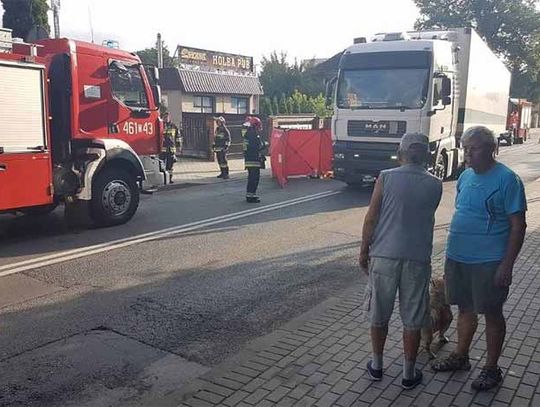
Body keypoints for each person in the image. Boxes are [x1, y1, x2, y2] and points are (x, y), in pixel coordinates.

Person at [431, 126, 527, 391]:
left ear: (491, 149)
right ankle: (461, 356)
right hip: (459, 258)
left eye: (474, 148)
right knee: (464, 308)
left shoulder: (508, 180)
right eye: (465, 149)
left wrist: (506, 265)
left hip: (489, 261)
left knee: (493, 313)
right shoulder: (465, 177)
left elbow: (518, 226)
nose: (467, 154)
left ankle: (491, 368)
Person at [360, 133, 442, 390]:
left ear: (401, 152)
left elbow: (371, 218)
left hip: (384, 256)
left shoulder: (386, 177)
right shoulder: (436, 184)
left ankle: (376, 366)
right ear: (426, 154)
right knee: (413, 318)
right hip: (417, 259)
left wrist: (364, 250)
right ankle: (408, 373)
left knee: (379, 313)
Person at [242, 116, 265, 203]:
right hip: (253, 160)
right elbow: (257, 146)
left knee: (252, 178)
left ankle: (250, 195)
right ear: (255, 125)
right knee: (254, 178)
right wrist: (264, 144)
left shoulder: (248, 133)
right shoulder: (253, 134)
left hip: (249, 159)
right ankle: (251, 196)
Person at [161, 112, 178, 184]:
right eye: (165, 117)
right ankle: (163, 179)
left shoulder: (173, 126)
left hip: (171, 149)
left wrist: (179, 146)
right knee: (162, 165)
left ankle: (170, 179)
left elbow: (178, 137)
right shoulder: (161, 125)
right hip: (163, 149)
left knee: (170, 165)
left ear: (169, 118)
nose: (166, 119)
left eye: (167, 117)